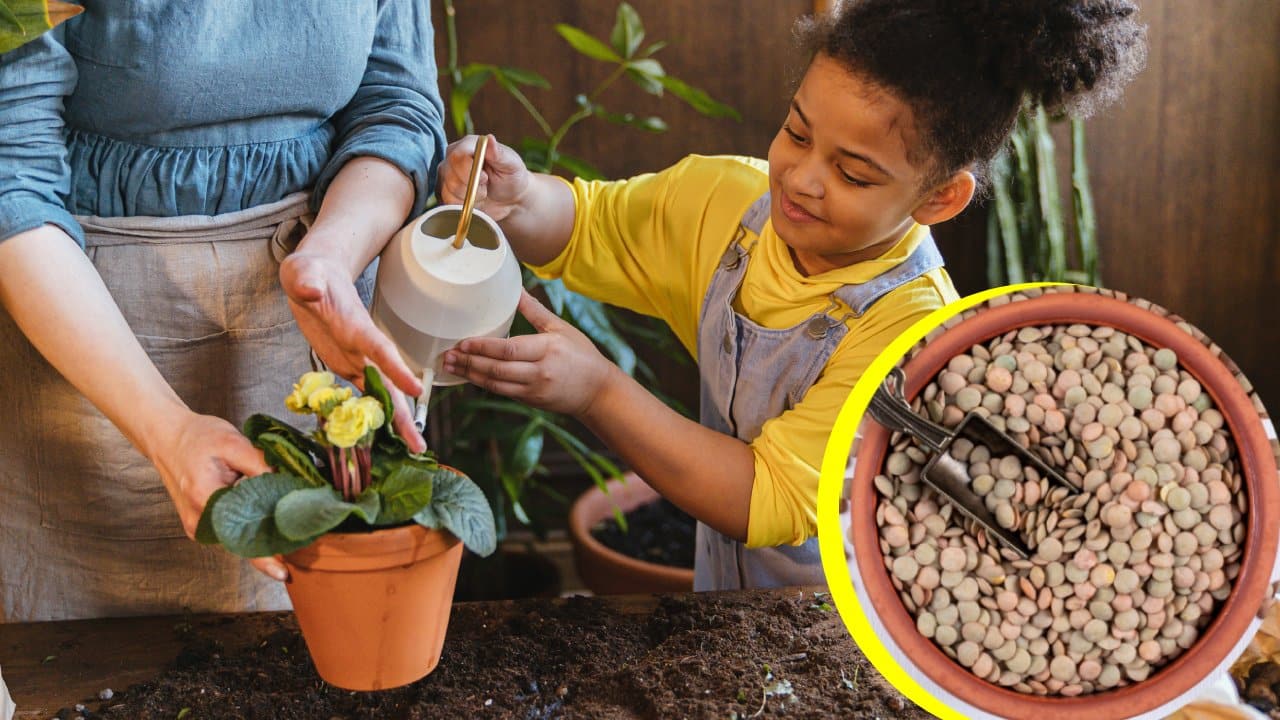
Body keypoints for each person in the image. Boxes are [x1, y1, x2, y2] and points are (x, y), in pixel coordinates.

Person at [437, 0, 1146, 590]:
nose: (801, 178)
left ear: (940, 196)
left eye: (854, 173)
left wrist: (598, 391)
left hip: (844, 635)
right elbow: (589, 226)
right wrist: (519, 197)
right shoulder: (726, 202)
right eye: (796, 132)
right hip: (728, 600)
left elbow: (765, 495)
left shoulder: (914, 338)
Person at [0, 2, 443, 622]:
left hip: (314, 319)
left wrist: (330, 259)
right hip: (94, 346)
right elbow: (10, 177)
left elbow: (397, 106)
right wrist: (167, 430)